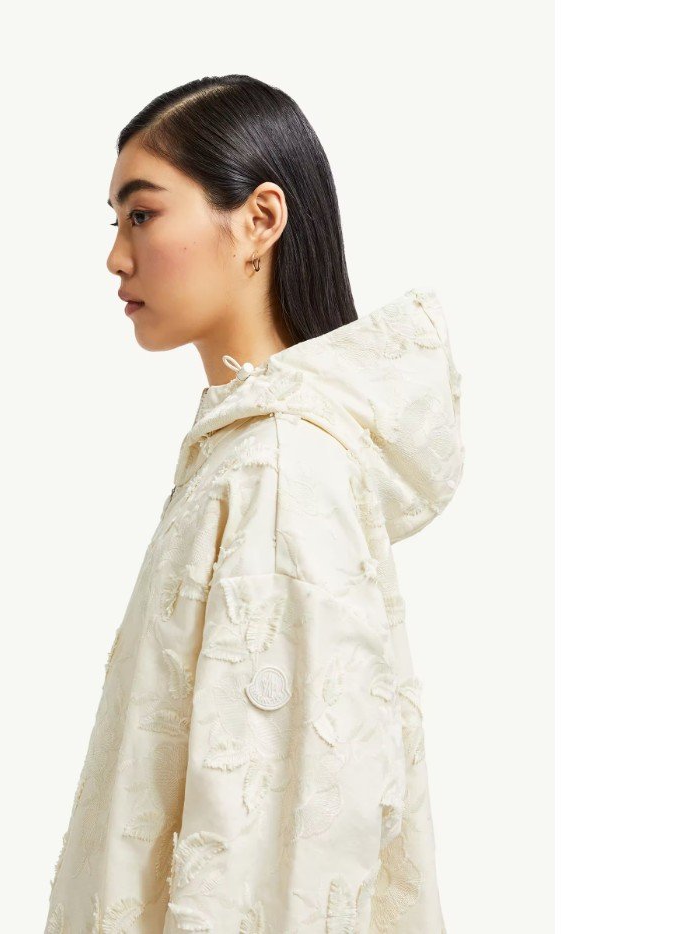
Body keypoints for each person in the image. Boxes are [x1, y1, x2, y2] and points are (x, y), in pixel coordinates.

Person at [44, 74, 464, 934]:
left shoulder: (279, 469)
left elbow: (273, 854)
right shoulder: (251, 452)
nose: (117, 257)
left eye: (142, 214)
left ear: (260, 220)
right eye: (116, 222)